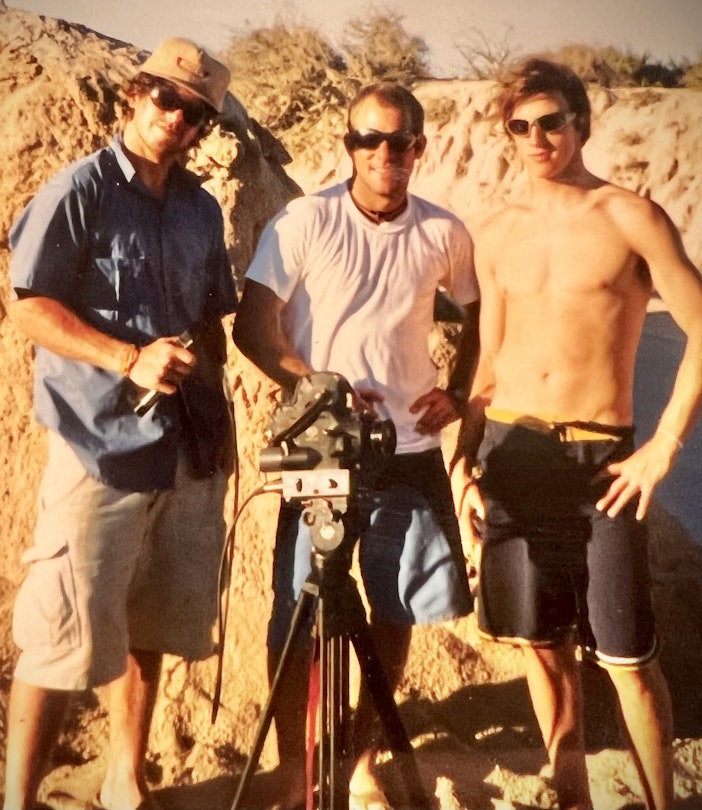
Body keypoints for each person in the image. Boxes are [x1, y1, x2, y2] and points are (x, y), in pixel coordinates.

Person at [453, 58, 702, 810]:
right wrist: (462, 466)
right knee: (540, 645)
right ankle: (570, 790)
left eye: (551, 121)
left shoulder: (629, 217)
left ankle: (659, 803)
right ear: (506, 134)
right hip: (512, 452)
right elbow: (487, 358)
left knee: (626, 655)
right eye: (521, 125)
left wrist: (663, 446)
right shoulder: (497, 231)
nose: (537, 137)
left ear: (580, 122)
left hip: (599, 460)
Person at [233, 81, 480, 810]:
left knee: (397, 607)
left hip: (408, 449)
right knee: (297, 613)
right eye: (367, 140)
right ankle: (291, 770)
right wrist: (322, 385)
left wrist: (459, 390)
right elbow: (254, 327)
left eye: (399, 141)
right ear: (348, 147)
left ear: (419, 149)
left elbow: (477, 314)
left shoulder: (444, 232)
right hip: (322, 447)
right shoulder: (303, 222)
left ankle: (363, 758)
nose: (384, 154)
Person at [3, 38, 236, 810]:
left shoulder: (203, 209)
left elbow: (213, 319)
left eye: (194, 113)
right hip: (97, 444)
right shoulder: (81, 189)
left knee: (152, 621)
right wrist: (127, 355)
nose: (177, 119)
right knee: (58, 630)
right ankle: (19, 800)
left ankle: (124, 782)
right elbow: (30, 304)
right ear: (135, 96)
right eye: (166, 100)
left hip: (181, 448)